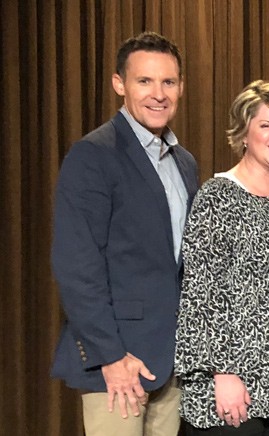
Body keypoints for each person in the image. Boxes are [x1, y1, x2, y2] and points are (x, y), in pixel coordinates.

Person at [50, 32, 199, 435]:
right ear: (120, 84)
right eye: (144, 81)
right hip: (118, 364)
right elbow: (77, 267)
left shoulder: (184, 163)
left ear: (181, 87)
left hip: (169, 362)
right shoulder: (93, 156)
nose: (158, 94)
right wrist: (111, 357)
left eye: (168, 82)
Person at [174, 80, 269, 435]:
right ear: (243, 133)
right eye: (266, 125)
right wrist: (223, 373)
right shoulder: (216, 198)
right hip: (235, 380)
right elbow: (201, 295)